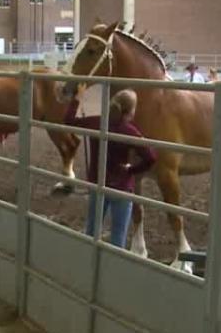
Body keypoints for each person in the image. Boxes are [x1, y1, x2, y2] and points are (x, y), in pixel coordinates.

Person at [62, 89, 156, 247]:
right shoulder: (131, 132)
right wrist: (131, 170)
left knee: (92, 231)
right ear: (131, 111)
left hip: (97, 184)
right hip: (121, 186)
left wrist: (76, 99)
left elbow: (68, 120)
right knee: (118, 237)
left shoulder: (97, 122)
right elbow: (151, 157)